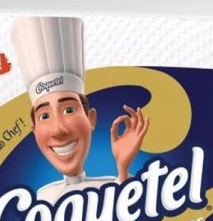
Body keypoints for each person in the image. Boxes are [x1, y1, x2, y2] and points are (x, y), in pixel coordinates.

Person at [12, 16, 149, 204]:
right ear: (34, 131)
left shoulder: (109, 188)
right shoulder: (41, 198)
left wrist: (123, 168)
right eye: (44, 116)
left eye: (69, 110)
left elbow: (128, 206)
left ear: (90, 118)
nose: (58, 129)